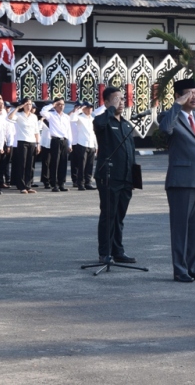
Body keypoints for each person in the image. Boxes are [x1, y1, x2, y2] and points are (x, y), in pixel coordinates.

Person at [158, 78, 195, 282]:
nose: (194, 97)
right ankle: (180, 270)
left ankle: (193, 267)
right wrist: (176, 105)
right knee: (180, 228)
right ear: (178, 96)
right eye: (188, 94)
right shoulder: (168, 116)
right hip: (181, 181)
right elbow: (165, 129)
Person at [92, 86, 137, 263]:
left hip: (125, 177)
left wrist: (134, 177)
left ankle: (118, 250)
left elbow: (131, 151)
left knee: (119, 216)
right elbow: (100, 124)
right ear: (107, 102)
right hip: (109, 176)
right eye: (116, 99)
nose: (121, 102)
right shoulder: (103, 121)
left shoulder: (125, 124)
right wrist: (110, 110)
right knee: (108, 215)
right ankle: (105, 252)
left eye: (122, 99)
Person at [7, 99, 41, 193]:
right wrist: (18, 108)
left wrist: (38, 144)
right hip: (22, 141)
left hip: (32, 142)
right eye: (27, 104)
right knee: (22, 164)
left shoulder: (34, 116)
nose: (29, 106)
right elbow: (9, 117)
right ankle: (21, 186)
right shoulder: (19, 115)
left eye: (30, 104)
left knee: (30, 165)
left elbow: (36, 131)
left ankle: (28, 185)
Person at [40, 97, 73, 192]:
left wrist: (70, 144)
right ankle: (54, 184)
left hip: (64, 140)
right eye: (59, 104)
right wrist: (52, 105)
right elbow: (42, 112)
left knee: (63, 163)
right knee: (55, 162)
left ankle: (61, 183)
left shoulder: (66, 117)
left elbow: (68, 131)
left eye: (63, 104)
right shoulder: (51, 115)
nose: (61, 106)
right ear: (55, 106)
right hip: (55, 140)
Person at [70, 101, 97, 191]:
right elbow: (72, 119)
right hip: (82, 144)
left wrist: (96, 145)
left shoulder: (92, 119)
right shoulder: (80, 117)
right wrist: (79, 109)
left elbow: (93, 133)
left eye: (90, 107)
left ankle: (88, 182)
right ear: (84, 108)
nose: (89, 109)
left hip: (91, 144)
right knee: (81, 165)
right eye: (87, 107)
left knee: (90, 165)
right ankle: (80, 183)